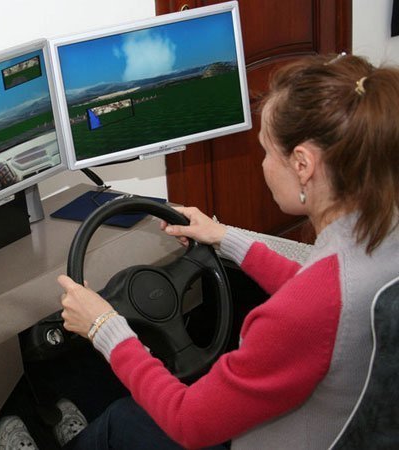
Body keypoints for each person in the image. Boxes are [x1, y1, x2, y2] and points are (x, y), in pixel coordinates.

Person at [55, 53, 399, 449]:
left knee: (121, 420)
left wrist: (103, 326)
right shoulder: (380, 234)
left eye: (267, 151)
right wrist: (223, 236)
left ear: (303, 164)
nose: (264, 165)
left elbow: (188, 421)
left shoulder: (302, 314)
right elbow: (318, 291)